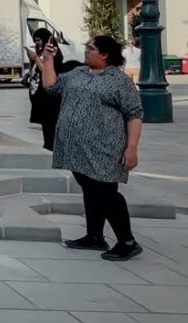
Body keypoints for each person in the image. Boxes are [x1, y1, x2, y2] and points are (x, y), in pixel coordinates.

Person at [40, 35, 144, 261]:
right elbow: (51, 87)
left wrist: (132, 148)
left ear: (105, 54)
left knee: (106, 192)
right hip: (75, 148)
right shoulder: (78, 73)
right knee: (89, 188)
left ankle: (127, 241)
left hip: (105, 148)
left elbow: (134, 115)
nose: (86, 51)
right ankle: (95, 236)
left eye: (91, 48)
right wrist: (48, 60)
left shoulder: (120, 81)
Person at [24, 28, 78, 151]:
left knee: (50, 123)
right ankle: (48, 144)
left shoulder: (52, 53)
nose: (37, 43)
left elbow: (48, 72)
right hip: (40, 95)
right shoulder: (40, 51)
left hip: (49, 96)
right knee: (45, 123)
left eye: (38, 40)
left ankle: (52, 146)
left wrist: (36, 59)